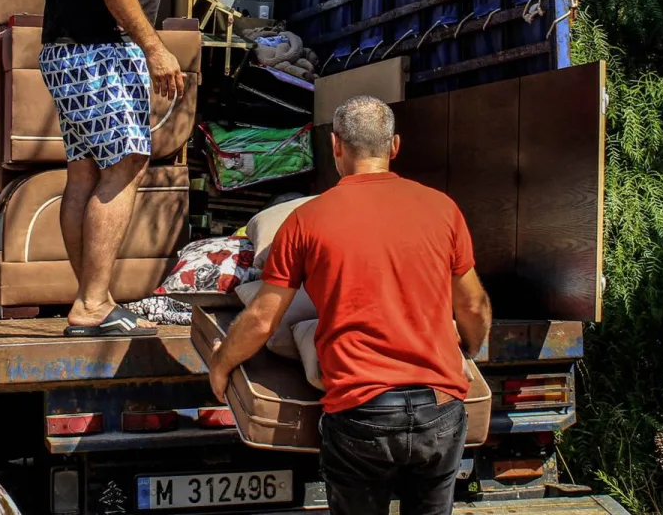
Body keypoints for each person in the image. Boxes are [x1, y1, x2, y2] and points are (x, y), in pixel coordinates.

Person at [207, 95, 493, 515]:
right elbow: (473, 306)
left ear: (336, 146)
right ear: (394, 146)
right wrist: (466, 349)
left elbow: (263, 320)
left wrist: (221, 364)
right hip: (440, 411)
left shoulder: (305, 220)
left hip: (362, 413)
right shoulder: (442, 209)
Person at [41, 0, 186, 338]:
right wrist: (153, 45)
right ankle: (94, 304)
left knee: (87, 170)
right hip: (97, 48)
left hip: (77, 49)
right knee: (126, 161)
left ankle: (90, 299)